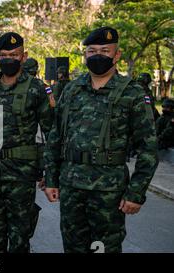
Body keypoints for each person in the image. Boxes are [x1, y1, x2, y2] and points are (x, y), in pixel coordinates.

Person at [43, 26, 159, 253]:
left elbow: (148, 147)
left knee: (103, 249)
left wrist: (136, 192)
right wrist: (51, 179)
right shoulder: (72, 90)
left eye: (105, 50)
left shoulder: (132, 93)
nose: (97, 55)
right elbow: (56, 136)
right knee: (73, 247)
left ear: (116, 55)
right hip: (71, 185)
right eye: (92, 50)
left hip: (108, 191)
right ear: (85, 55)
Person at [0, 32, 53, 253]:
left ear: (23, 56)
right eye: (4, 54)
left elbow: (50, 132)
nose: (9, 59)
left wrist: (49, 172)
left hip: (22, 176)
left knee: (20, 238)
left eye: (14, 54)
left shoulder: (36, 88)